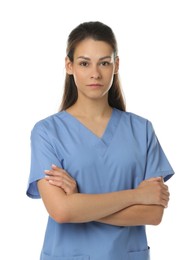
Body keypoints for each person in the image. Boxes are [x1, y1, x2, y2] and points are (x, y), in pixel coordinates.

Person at [26, 21, 174, 260]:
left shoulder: (141, 129)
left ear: (116, 65)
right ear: (69, 65)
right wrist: (136, 196)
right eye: (84, 63)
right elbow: (61, 211)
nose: (95, 73)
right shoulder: (46, 132)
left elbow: (153, 213)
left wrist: (78, 204)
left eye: (104, 63)